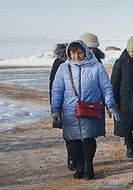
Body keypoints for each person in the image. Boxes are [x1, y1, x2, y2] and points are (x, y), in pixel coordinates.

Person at [50, 39, 116, 180]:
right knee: (74, 139)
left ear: (85, 52)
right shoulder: (64, 68)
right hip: (70, 109)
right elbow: (57, 90)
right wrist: (55, 109)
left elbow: (106, 87)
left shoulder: (96, 67)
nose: (76, 56)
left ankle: (89, 165)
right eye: (73, 53)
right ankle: (80, 165)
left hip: (90, 107)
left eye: (79, 52)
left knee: (88, 137)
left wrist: (110, 105)